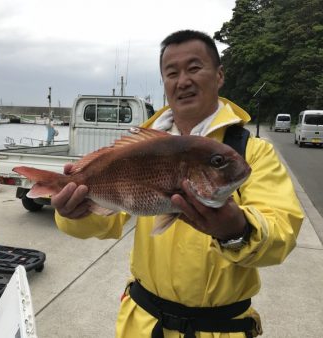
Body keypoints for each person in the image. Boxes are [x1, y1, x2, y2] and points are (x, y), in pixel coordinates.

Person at [51, 30, 303, 338]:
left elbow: (282, 230)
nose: (182, 81)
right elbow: (107, 222)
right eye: (171, 73)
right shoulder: (139, 148)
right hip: (143, 326)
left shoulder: (251, 152)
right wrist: (73, 212)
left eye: (195, 68)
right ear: (165, 83)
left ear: (219, 75)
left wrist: (238, 230)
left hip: (221, 329)